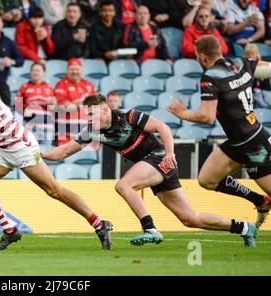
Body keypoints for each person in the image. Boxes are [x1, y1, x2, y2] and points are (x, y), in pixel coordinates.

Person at [0, 69, 113, 251]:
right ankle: (10, 231)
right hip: (3, 148)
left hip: (21, 145)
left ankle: (99, 224)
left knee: (54, 190)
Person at [42, 93, 258, 247]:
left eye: (91, 115)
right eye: (87, 115)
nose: (88, 120)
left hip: (159, 158)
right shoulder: (92, 131)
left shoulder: (130, 117)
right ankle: (245, 228)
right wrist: (38, 154)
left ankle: (150, 229)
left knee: (124, 185)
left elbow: (162, 128)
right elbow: (62, 152)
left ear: (106, 110)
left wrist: (171, 153)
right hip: (149, 165)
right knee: (190, 218)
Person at [168, 35, 271, 230]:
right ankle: (259, 200)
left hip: (255, 146)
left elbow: (207, 117)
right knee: (207, 179)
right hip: (237, 142)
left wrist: (183, 114)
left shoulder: (210, 77)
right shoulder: (242, 62)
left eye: (197, 56)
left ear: (202, 56)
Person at [54, 58, 95, 145]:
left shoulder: (89, 85)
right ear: (67, 70)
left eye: (77, 69)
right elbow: (66, 108)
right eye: (72, 69)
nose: (75, 72)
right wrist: (85, 105)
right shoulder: (61, 84)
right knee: (64, 155)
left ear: (81, 70)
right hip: (66, 132)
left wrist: (77, 105)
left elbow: (95, 107)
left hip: (86, 131)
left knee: (86, 157)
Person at [15, 62, 55, 142]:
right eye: (33, 70)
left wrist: (52, 105)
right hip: (29, 124)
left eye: (38, 70)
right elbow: (18, 108)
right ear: (30, 72)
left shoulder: (49, 88)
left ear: (43, 73)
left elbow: (54, 109)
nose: (35, 72)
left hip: (46, 125)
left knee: (46, 150)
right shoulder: (24, 87)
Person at [243, 43, 271, 109]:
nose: (250, 56)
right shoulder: (243, 69)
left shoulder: (263, 67)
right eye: (248, 54)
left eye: (252, 54)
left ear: (257, 55)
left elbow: (267, 86)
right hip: (251, 95)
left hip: (263, 94)